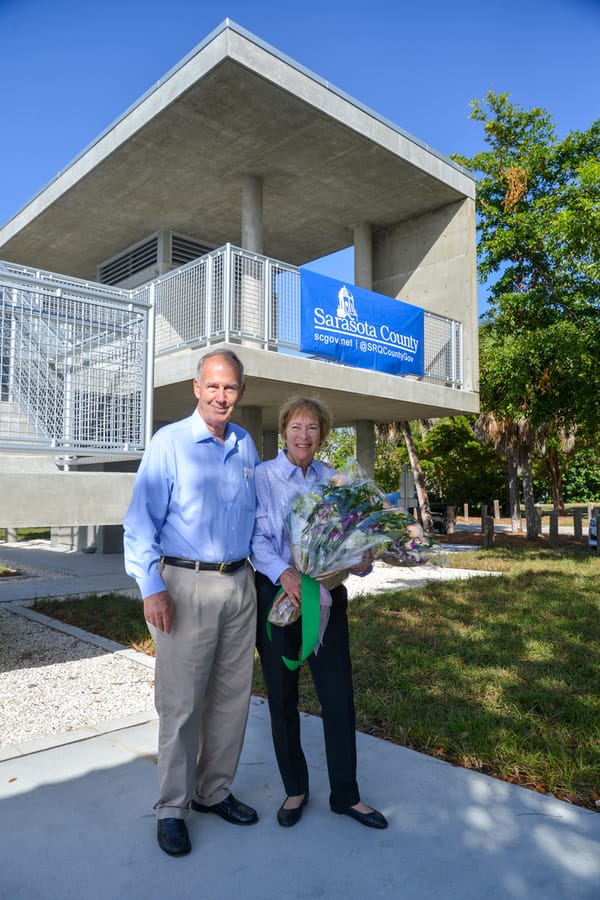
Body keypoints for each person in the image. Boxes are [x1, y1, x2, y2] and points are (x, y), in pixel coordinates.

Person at [123, 349, 260, 857]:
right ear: (196, 388)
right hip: (184, 585)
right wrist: (151, 587)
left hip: (239, 584)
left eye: (231, 388)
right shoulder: (170, 443)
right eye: (213, 387)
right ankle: (172, 807)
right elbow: (140, 523)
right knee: (181, 705)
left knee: (231, 698)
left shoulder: (245, 444)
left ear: (241, 393)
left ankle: (212, 792)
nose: (222, 396)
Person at [251, 396, 388, 830]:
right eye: (296, 427)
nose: (304, 436)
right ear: (284, 430)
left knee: (337, 696)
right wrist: (284, 574)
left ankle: (345, 795)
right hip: (277, 597)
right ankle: (295, 787)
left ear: (322, 434)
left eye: (313, 428)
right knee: (283, 697)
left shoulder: (336, 479)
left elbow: (351, 540)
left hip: (325, 598)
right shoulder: (263, 476)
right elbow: (256, 539)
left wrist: (362, 559)